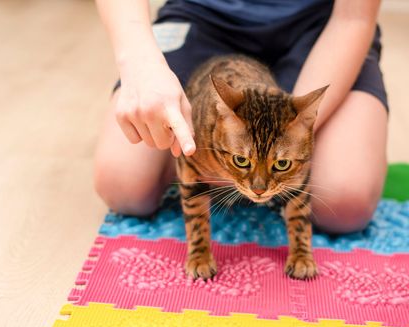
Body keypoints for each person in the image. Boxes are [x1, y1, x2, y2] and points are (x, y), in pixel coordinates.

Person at [94, 0, 388, 233]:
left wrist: (290, 136)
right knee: (124, 184)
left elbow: (353, 18)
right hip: (201, 16)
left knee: (347, 203)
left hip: (324, 28)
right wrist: (139, 63)